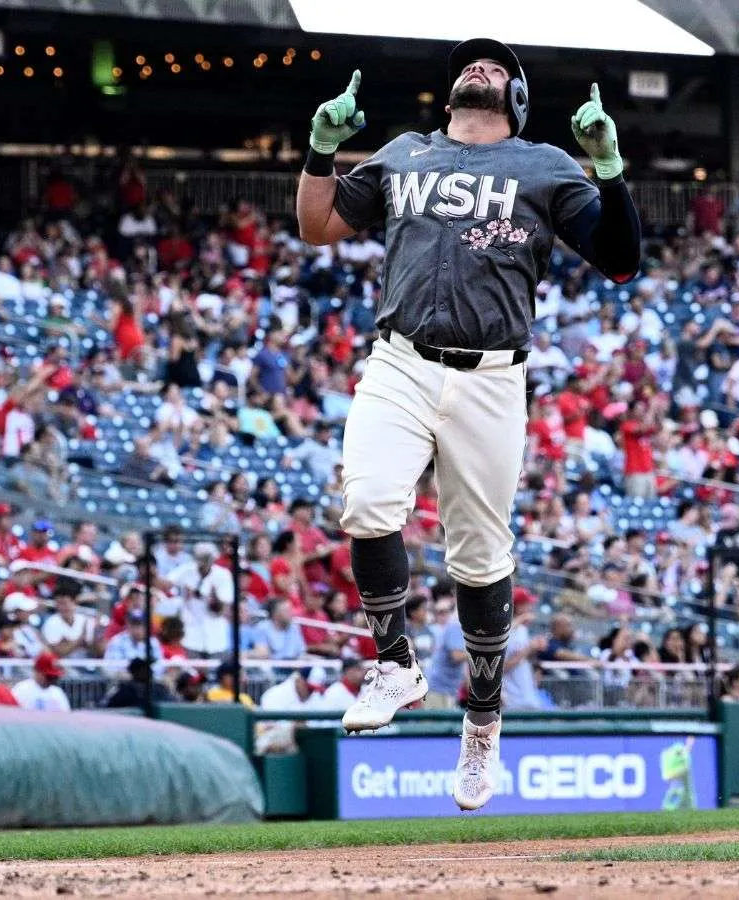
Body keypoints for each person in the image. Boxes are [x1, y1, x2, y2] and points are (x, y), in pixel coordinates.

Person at [297, 38, 641, 810]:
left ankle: (482, 720)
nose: (480, 69)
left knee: (481, 559)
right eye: (472, 65)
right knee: (367, 499)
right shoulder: (405, 152)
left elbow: (619, 261)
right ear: (451, 89)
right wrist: (321, 150)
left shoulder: (546, 164)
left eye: (497, 68)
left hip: (492, 377)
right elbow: (318, 227)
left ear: (516, 98)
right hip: (400, 358)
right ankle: (394, 663)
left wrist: (608, 169)